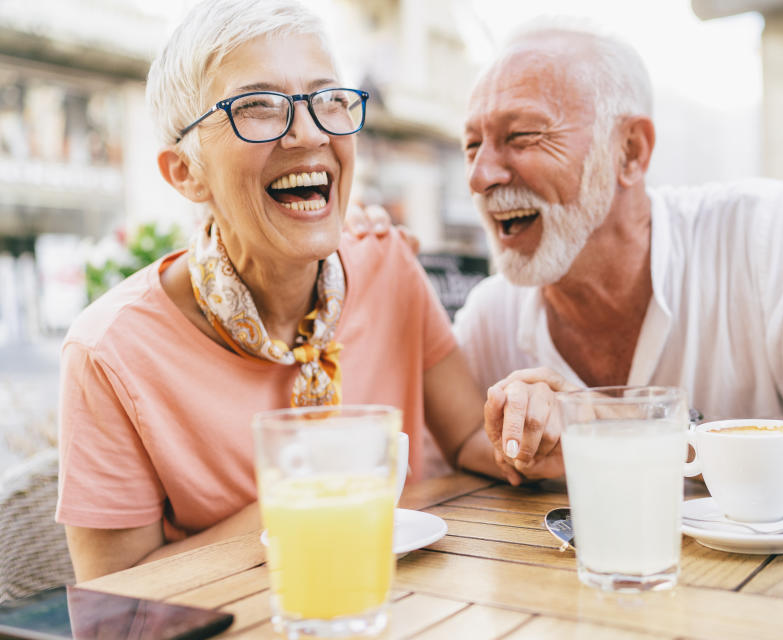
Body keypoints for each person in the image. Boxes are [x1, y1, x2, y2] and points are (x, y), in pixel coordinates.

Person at [352, 24, 783, 501]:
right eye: (472, 146)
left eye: (522, 137)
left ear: (631, 151)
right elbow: (431, 474)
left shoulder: (762, 235)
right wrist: (352, 259)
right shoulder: (489, 317)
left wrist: (652, 439)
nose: (481, 176)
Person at [54, 0, 509, 582]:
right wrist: (317, 496)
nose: (309, 132)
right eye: (259, 107)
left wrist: (533, 431)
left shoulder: (387, 265)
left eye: (328, 100)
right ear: (184, 173)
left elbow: (472, 436)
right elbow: (114, 593)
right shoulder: (109, 352)